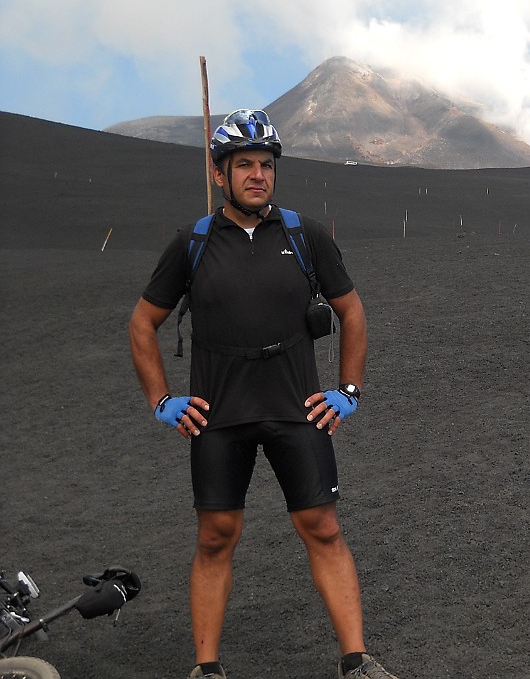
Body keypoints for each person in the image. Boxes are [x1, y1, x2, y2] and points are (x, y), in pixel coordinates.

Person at [128, 109, 399, 679]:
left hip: (296, 408)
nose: (258, 174)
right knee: (215, 536)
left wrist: (349, 390)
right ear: (219, 172)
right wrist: (161, 400)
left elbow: (352, 311)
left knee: (322, 527)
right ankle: (207, 668)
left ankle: (357, 661)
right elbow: (141, 323)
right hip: (217, 414)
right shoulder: (193, 243)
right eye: (244, 164)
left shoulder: (305, 236)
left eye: (266, 165)